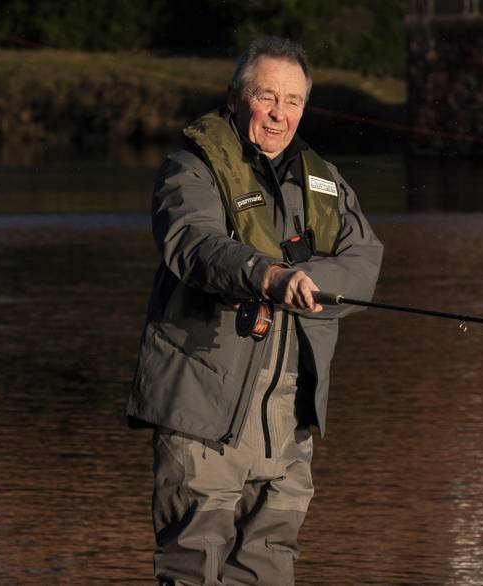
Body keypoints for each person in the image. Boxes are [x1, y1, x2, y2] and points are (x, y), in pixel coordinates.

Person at [127, 36, 383, 585]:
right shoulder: (189, 168)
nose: (278, 113)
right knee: (192, 563)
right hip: (203, 412)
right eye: (267, 96)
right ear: (236, 99)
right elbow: (192, 243)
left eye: (292, 101)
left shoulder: (324, 179)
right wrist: (267, 275)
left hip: (289, 424)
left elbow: (364, 263)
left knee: (270, 566)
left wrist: (311, 279)